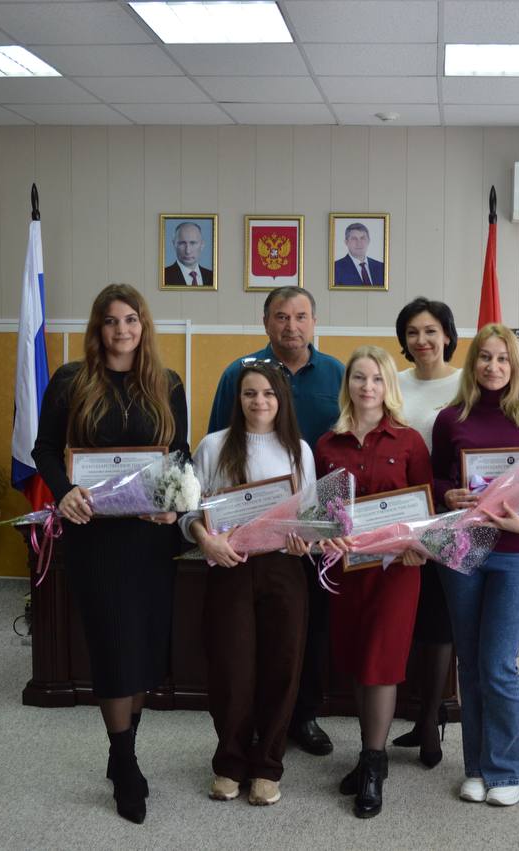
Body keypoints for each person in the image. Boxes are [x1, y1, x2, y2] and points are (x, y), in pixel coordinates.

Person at [31, 283, 188, 825]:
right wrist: (64, 492)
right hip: (95, 537)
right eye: (111, 321)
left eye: (131, 320)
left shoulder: (168, 383)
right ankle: (124, 762)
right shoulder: (70, 381)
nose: (122, 330)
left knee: (141, 648)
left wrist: (173, 506)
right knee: (113, 646)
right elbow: (44, 449)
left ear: (144, 326)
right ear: (98, 328)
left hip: (148, 538)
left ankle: (124, 748)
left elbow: (180, 455)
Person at [207, 286, 345, 755]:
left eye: (301, 316)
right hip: (242, 539)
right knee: (244, 642)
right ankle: (246, 727)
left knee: (305, 632)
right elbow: (217, 446)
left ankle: (302, 716)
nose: (291, 326)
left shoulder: (335, 373)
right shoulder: (238, 372)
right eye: (281, 317)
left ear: (314, 322)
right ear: (266, 322)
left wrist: (318, 526)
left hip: (308, 528)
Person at [431, 323, 519, 807]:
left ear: (515, 365)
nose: (493, 366)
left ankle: (509, 769)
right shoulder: (450, 417)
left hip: (517, 552)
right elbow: (435, 475)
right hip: (463, 550)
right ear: (473, 363)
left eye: (503, 358)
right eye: (485, 357)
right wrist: (449, 493)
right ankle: (476, 768)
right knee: (469, 662)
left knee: (499, 664)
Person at [183, 361, 315, 806]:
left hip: (284, 568)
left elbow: (310, 518)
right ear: (237, 399)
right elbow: (190, 511)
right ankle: (230, 762)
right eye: (250, 393)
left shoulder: (299, 450)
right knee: (231, 668)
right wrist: (205, 540)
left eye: (268, 394)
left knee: (282, 666)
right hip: (230, 567)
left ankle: (267, 766)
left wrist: (306, 541)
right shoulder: (213, 446)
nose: (260, 401)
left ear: (282, 400)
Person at [315, 345, 432, 819]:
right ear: (347, 385)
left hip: (396, 572)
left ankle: (373, 764)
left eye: (377, 378)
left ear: (389, 386)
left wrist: (419, 546)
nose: (368, 387)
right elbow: (322, 516)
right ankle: (368, 754)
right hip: (348, 573)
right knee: (357, 659)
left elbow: (427, 510)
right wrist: (324, 537)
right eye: (359, 378)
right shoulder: (327, 445)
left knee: (381, 662)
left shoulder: (409, 441)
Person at [389, 297, 461, 767]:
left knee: (438, 619)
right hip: (400, 512)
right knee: (405, 617)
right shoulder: (393, 383)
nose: (422, 340)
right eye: (412, 332)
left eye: (431, 330)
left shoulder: (465, 383)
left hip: (449, 513)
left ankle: (431, 721)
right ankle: (416, 715)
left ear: (447, 335)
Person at [333, 222, 385, 286]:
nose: (359, 243)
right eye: (354, 239)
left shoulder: (381, 267)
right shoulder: (335, 268)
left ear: (368, 241)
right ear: (346, 242)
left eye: (362, 238)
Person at [163, 221, 213, 286]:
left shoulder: (212, 277)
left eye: (193, 243)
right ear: (174, 244)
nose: (187, 251)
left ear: (202, 245)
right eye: (182, 243)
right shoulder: (163, 276)